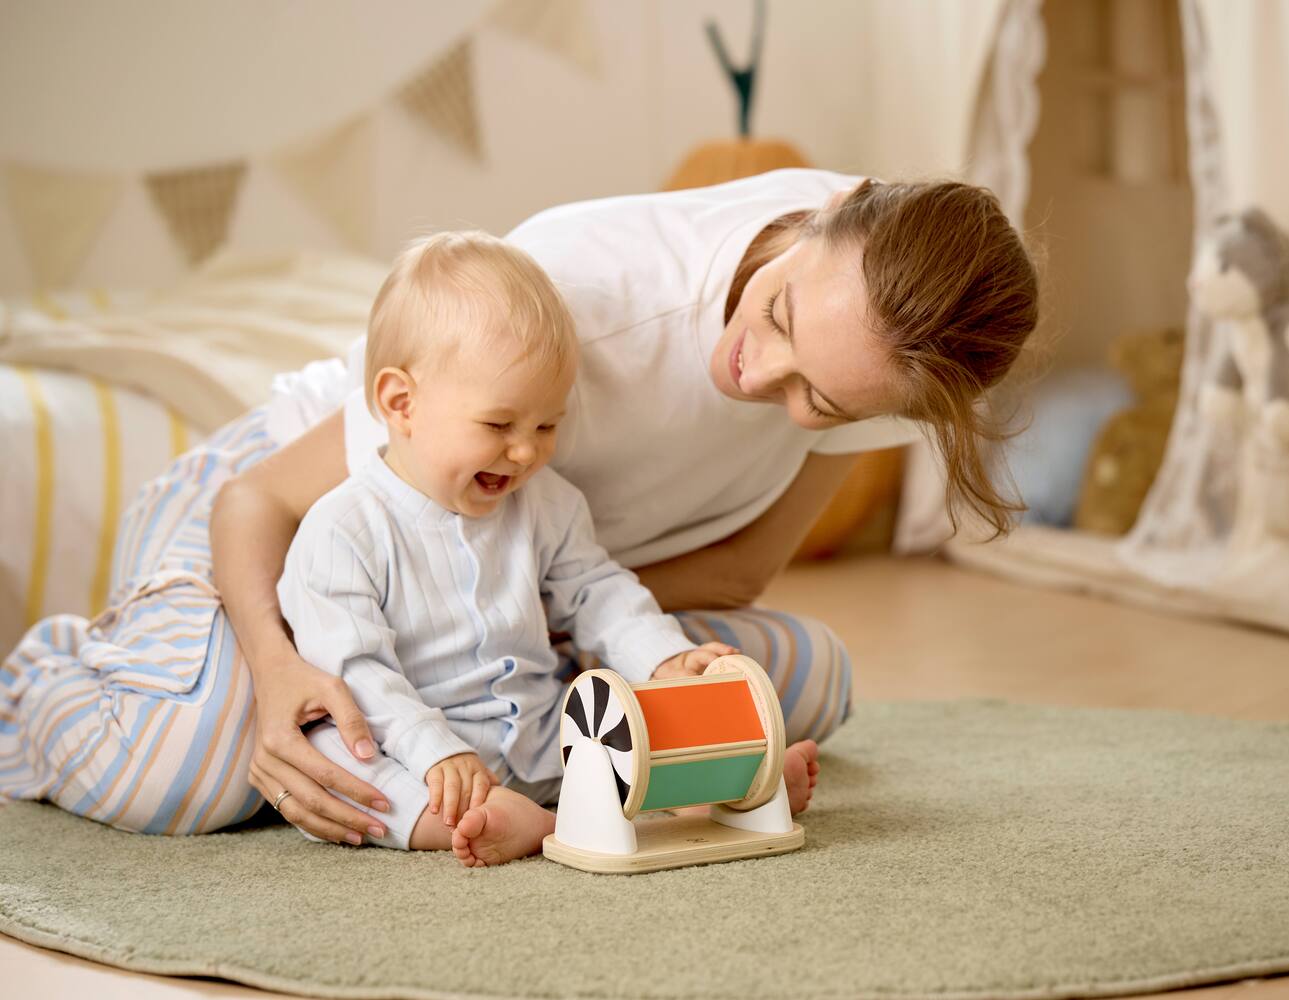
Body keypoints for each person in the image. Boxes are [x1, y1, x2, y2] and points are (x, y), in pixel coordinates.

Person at [0, 169, 1038, 846]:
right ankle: (41, 680)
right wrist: (278, 670)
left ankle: (490, 725)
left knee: (795, 683)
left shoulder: (889, 362)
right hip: (294, 527)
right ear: (826, 214)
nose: (758, 376)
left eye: (819, 401)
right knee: (182, 773)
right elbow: (260, 500)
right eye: (776, 318)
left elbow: (730, 576)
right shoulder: (586, 287)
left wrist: (590, 640)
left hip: (522, 582)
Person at [275, 231, 818, 865]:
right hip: (421, 760)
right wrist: (433, 750)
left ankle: (722, 786)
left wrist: (665, 659)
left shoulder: (548, 502)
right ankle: (487, 822)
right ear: (401, 404)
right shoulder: (342, 529)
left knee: (618, 713)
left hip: (542, 738)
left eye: (547, 425)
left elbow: (599, 593)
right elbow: (355, 670)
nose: (527, 451)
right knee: (333, 757)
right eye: (499, 425)